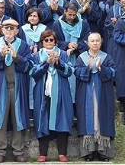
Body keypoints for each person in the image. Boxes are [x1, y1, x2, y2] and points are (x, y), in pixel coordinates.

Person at [0, 18, 32, 163]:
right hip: (0, 87)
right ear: (2, 30)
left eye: (12, 28)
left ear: (17, 31)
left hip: (17, 87)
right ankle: (0, 152)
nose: (9, 31)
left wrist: (16, 57)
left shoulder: (23, 45)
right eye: (6, 28)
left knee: (17, 118)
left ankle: (18, 151)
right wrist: (0, 55)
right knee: (1, 119)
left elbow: (28, 66)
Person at [30, 30, 73, 162]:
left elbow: (70, 71)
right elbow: (33, 73)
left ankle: (62, 153)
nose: (49, 42)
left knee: (62, 119)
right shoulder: (36, 56)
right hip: (42, 93)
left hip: (61, 92)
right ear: (42, 42)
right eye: (46, 40)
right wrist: (46, 63)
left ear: (55, 41)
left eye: (51, 40)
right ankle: (43, 153)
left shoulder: (63, 54)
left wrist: (58, 63)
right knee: (42, 120)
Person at [74, 32, 116, 161]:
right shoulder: (82, 58)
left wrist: (101, 67)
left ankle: (103, 151)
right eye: (92, 41)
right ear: (88, 43)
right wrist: (89, 67)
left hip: (103, 93)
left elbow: (114, 72)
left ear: (101, 42)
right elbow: (76, 72)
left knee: (101, 118)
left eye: (97, 40)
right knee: (88, 119)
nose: (95, 43)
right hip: (86, 93)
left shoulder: (106, 57)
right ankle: (89, 151)